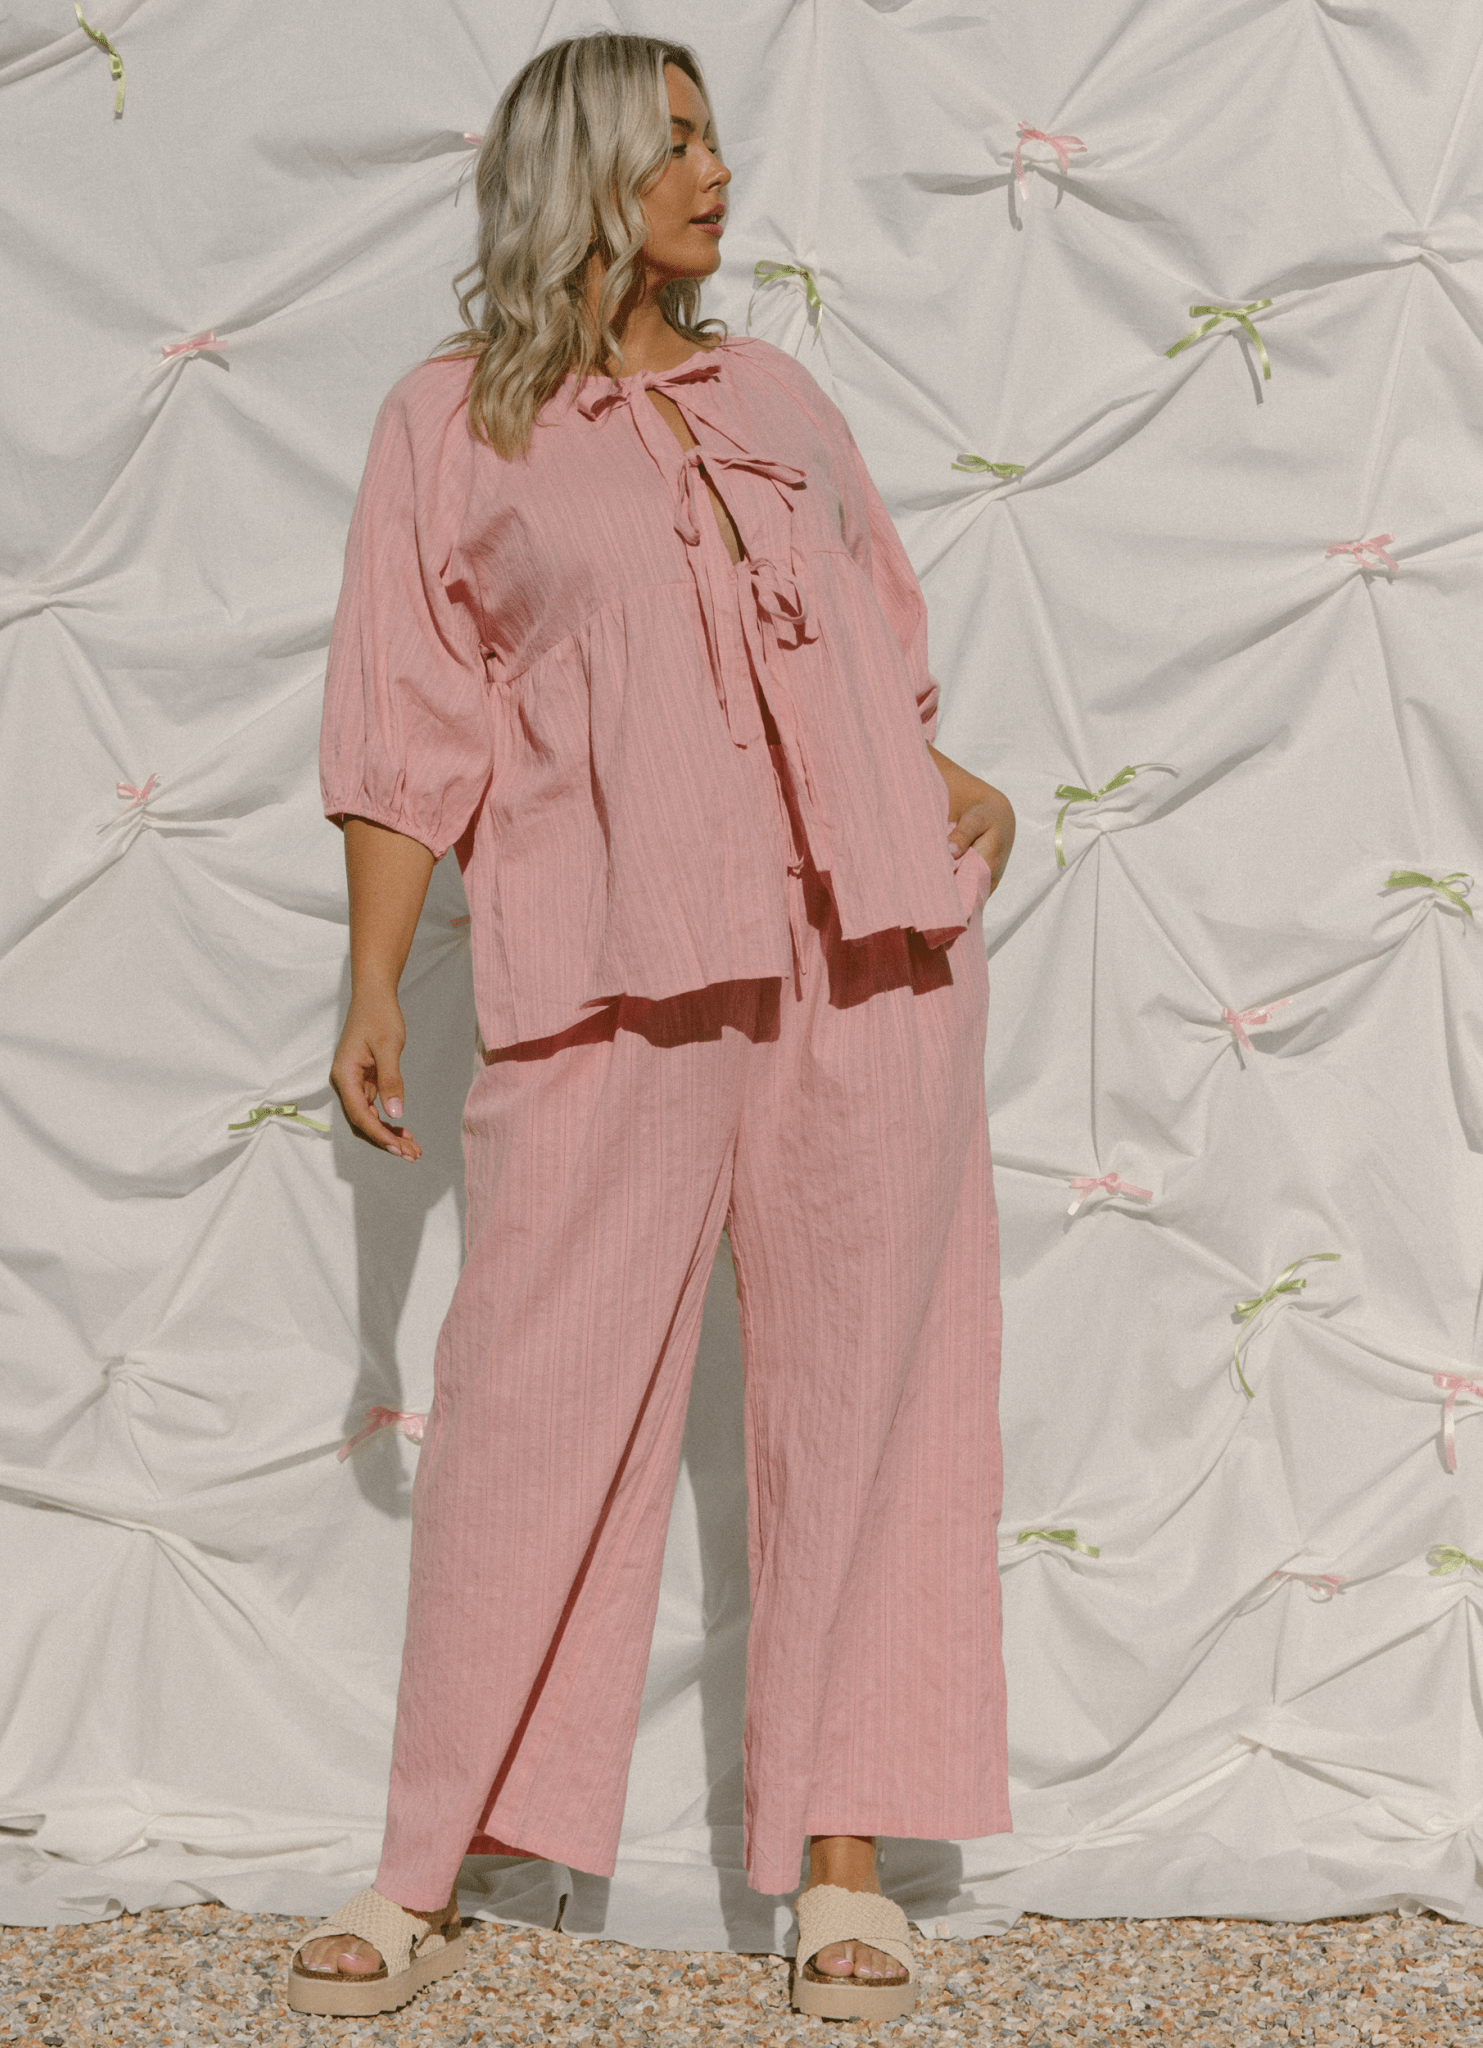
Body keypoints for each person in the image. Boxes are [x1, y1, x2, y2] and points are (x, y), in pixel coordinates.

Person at [286, 30, 1015, 2026]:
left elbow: (881, 644)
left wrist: (963, 798)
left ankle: (845, 1856)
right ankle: (436, 1856)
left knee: (870, 1390)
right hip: (610, 966)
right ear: (583, 172)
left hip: (866, 956)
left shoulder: (777, 395)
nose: (713, 168)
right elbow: (405, 717)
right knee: (530, 1401)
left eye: (711, 131)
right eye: (671, 139)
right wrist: (371, 978)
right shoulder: (450, 423)